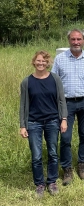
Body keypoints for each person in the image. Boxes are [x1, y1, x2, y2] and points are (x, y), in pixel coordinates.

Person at [51, 29, 84, 186]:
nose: (76, 42)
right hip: (66, 104)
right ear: (69, 41)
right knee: (65, 138)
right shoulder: (60, 59)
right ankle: (67, 169)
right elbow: (53, 82)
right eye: (73, 39)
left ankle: (82, 166)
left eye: (79, 39)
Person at [19, 51, 68, 198]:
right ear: (34, 62)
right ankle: (39, 184)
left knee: (53, 153)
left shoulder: (55, 79)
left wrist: (63, 119)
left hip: (53, 121)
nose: (41, 63)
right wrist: (23, 125)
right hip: (33, 122)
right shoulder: (26, 82)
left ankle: (52, 182)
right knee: (36, 155)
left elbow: (61, 100)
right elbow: (22, 105)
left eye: (44, 61)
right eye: (38, 61)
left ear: (48, 63)